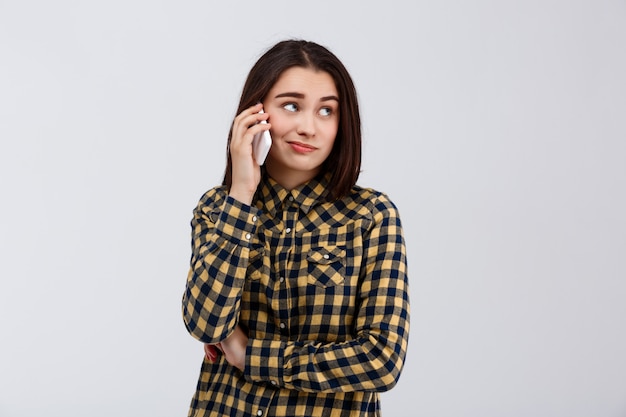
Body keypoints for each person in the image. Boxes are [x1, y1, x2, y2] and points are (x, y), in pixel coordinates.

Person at [182, 39, 410, 417]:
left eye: (326, 111)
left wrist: (249, 355)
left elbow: (381, 359)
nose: (309, 127)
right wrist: (241, 192)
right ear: (255, 113)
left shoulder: (370, 216)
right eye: (292, 106)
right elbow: (205, 322)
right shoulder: (217, 208)